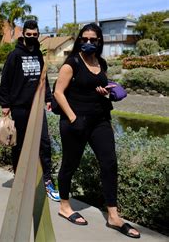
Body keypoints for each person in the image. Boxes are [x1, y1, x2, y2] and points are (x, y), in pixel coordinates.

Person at [54, 23, 140, 238]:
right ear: (80, 40)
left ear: (99, 41)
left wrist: (105, 93)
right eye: (85, 39)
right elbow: (58, 93)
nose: (89, 43)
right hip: (76, 121)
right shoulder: (71, 63)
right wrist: (74, 119)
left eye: (93, 40)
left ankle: (113, 215)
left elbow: (97, 87)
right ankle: (64, 206)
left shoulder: (101, 62)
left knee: (109, 163)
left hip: (100, 120)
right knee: (69, 165)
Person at [0, 19, 60, 202]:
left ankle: (47, 181)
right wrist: (5, 104)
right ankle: (20, 179)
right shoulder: (14, 55)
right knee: (20, 145)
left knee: (44, 144)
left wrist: (48, 98)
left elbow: (44, 78)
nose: (32, 38)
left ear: (38, 35)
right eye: (29, 35)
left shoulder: (39, 55)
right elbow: (5, 80)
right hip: (19, 108)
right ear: (23, 34)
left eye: (35, 35)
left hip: (37, 105)